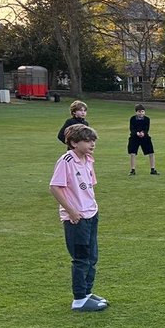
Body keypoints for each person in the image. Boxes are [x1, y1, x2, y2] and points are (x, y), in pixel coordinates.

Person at [50, 124, 107, 312]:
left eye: (93, 141)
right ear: (74, 143)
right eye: (88, 141)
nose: (92, 144)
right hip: (77, 218)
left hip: (91, 213)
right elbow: (55, 187)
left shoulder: (88, 159)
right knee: (81, 258)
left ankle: (88, 292)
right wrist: (72, 211)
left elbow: (89, 185)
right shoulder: (66, 161)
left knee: (92, 256)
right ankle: (79, 299)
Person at [128, 104, 159, 176]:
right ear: (136, 112)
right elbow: (132, 128)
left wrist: (143, 133)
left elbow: (146, 128)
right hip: (134, 137)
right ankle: (132, 170)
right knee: (132, 153)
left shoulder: (147, 119)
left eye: (142, 111)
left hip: (144, 137)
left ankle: (153, 169)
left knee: (151, 153)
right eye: (139, 111)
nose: (141, 113)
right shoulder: (132, 119)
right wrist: (137, 133)